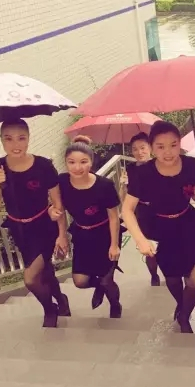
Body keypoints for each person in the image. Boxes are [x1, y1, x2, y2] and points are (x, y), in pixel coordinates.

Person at [122, 122, 195, 333]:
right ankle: (181, 303)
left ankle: (184, 316)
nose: (168, 152)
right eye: (160, 147)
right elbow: (127, 209)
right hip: (160, 227)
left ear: (180, 144)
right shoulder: (143, 173)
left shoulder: (191, 164)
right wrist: (141, 239)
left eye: (173, 145)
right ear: (151, 148)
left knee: (194, 280)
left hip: (188, 224)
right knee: (172, 278)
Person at [0, 118, 70, 327]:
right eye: (9, 139)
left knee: (31, 278)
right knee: (45, 271)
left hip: (44, 226)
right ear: (1, 140)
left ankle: (50, 309)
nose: (16, 145)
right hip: (19, 229)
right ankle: (61, 299)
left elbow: (58, 202)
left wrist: (62, 234)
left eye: (21, 138)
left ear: (29, 138)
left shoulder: (43, 165)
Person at [49, 136, 123, 318]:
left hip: (105, 235)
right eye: (71, 162)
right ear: (65, 162)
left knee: (107, 280)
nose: (77, 167)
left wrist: (114, 245)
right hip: (82, 235)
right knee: (80, 281)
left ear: (91, 161)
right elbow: (58, 208)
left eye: (83, 162)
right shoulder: (62, 182)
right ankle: (99, 286)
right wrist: (60, 233)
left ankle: (115, 305)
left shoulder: (104, 185)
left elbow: (114, 217)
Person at [119, 132, 161, 286]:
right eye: (135, 149)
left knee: (168, 244)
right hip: (142, 212)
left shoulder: (159, 165)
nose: (139, 152)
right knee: (148, 246)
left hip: (161, 209)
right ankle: (154, 275)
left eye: (143, 148)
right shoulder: (130, 169)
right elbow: (124, 200)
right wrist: (123, 185)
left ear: (150, 148)